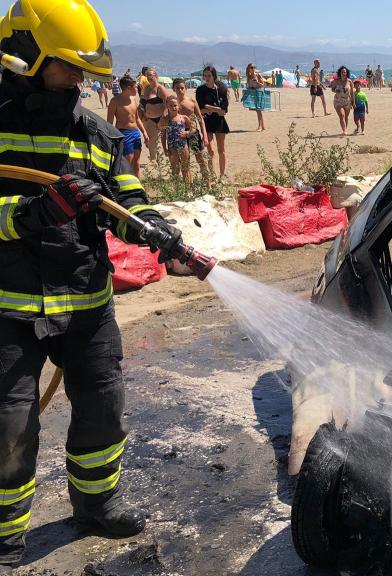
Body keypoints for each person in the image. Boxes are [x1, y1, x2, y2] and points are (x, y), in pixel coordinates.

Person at [0, 1, 189, 571]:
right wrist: (31, 214)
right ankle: (6, 534)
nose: (78, 81)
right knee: (9, 426)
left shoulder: (96, 132)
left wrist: (150, 222)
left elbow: (124, 194)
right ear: (27, 57)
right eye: (67, 67)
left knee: (103, 408)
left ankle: (96, 503)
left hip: (85, 300)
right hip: (8, 307)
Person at [106, 75, 149, 177]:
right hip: (124, 133)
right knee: (127, 163)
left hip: (135, 133)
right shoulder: (115, 101)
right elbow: (109, 123)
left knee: (137, 164)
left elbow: (137, 118)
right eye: (135, 87)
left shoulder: (133, 99)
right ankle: (126, 188)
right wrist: (110, 139)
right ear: (129, 88)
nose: (137, 89)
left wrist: (144, 132)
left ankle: (138, 188)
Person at [171, 78, 209, 180]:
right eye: (177, 88)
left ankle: (207, 183)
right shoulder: (172, 103)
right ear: (173, 89)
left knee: (200, 158)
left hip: (193, 133)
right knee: (185, 161)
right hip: (180, 134)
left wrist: (204, 135)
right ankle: (188, 186)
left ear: (186, 88)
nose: (180, 90)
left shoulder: (192, 101)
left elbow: (200, 118)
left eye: (182, 88)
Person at [196, 65, 229, 178]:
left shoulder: (221, 89)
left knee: (221, 150)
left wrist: (209, 107)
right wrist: (213, 109)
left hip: (219, 122)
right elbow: (200, 109)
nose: (207, 78)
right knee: (210, 150)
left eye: (209, 75)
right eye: (205, 76)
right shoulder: (200, 90)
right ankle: (213, 176)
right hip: (207, 122)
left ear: (214, 76)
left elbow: (224, 111)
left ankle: (222, 176)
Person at [159, 96, 196, 184]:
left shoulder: (183, 118)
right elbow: (163, 135)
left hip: (183, 146)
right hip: (172, 147)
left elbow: (193, 128)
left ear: (179, 106)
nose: (173, 107)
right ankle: (177, 189)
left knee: (185, 167)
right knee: (175, 168)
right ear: (167, 106)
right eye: (171, 106)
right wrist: (164, 148)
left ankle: (188, 189)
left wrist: (187, 133)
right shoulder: (165, 119)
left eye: (175, 105)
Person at [139, 67, 172, 161]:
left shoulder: (160, 88)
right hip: (149, 119)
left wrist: (162, 119)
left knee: (163, 140)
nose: (149, 77)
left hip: (160, 118)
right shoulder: (147, 88)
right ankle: (154, 160)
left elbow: (167, 103)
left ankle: (162, 160)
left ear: (156, 76)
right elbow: (143, 103)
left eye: (151, 75)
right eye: (147, 75)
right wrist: (144, 113)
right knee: (151, 141)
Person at [330, 66, 354, 135]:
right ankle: (344, 131)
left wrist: (353, 103)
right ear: (340, 73)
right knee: (342, 115)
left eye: (345, 72)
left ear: (347, 73)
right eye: (342, 72)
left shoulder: (349, 81)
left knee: (346, 117)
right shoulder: (337, 81)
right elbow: (332, 89)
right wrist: (335, 90)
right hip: (338, 101)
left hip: (347, 101)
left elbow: (352, 93)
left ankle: (345, 129)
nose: (344, 73)